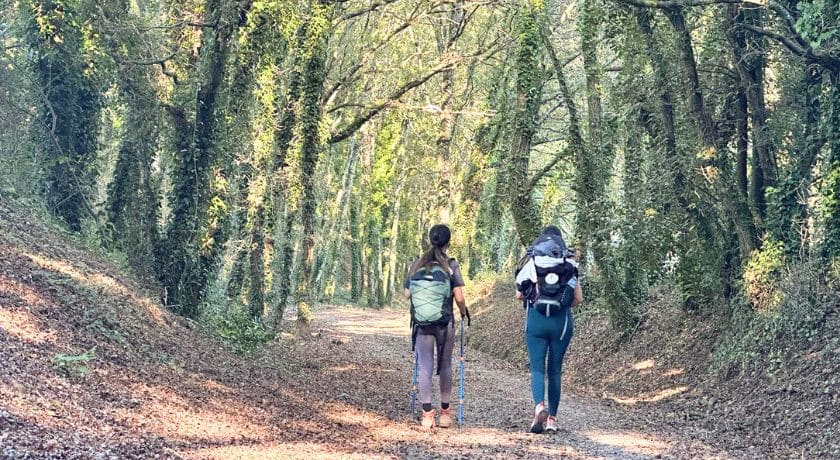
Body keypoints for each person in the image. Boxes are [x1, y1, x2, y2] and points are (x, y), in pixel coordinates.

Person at [515, 225, 583, 433]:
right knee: (555, 370)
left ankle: (539, 407)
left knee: (537, 369)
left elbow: (519, 295)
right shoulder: (568, 263)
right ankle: (552, 419)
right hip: (561, 323)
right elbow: (578, 298)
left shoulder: (532, 261)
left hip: (535, 320)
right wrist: (560, 305)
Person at [404, 224, 468, 430]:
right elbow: (459, 297)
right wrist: (464, 311)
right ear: (448, 243)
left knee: (425, 366)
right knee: (446, 365)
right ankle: (446, 415)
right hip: (444, 322)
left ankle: (427, 416)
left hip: (422, 324)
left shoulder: (416, 264)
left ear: (430, 240)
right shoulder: (451, 265)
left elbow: (407, 294)